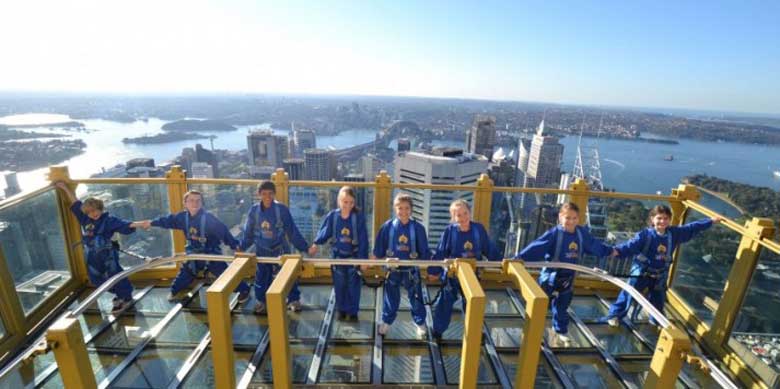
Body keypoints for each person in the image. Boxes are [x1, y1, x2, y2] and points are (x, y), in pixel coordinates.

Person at [515, 202, 617, 344]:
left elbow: (594, 245)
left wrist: (610, 251)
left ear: (579, 218)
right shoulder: (554, 234)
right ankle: (532, 330)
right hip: (551, 275)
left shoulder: (581, 234)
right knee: (539, 303)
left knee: (562, 306)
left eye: (574, 218)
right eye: (567, 218)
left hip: (568, 277)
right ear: (560, 217)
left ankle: (560, 331)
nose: (571, 221)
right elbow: (536, 247)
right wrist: (518, 258)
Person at [603, 205, 722, 327]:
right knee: (629, 294)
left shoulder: (674, 233)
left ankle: (656, 319)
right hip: (642, 272)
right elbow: (630, 246)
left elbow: (692, 228)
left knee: (658, 299)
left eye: (666, 218)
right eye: (659, 218)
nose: (662, 221)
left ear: (670, 220)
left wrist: (711, 221)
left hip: (659, 274)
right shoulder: (644, 235)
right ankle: (615, 315)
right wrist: (615, 251)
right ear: (652, 219)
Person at [134, 190, 251, 303]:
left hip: (210, 254)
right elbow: (167, 221)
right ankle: (175, 291)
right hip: (194, 254)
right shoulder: (182, 218)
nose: (194, 203)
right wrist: (151, 223)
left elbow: (224, 232)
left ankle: (244, 290)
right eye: (191, 201)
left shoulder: (208, 219)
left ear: (202, 203)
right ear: (185, 203)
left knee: (224, 273)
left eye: (198, 201)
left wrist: (236, 245)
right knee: (186, 272)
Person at [56, 182, 141, 312]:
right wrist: (64, 188)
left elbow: (126, 225)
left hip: (108, 255)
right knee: (96, 279)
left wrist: (142, 224)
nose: (93, 213)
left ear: (101, 208)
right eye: (89, 212)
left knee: (115, 275)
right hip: (92, 255)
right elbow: (75, 203)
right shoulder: (85, 219)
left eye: (95, 210)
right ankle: (119, 294)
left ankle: (126, 297)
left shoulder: (109, 220)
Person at [428, 199, 502, 339]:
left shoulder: (478, 229)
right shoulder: (450, 231)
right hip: (453, 275)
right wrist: (434, 271)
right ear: (453, 218)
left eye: (465, 213)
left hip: (473, 274)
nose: (462, 218)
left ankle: (475, 331)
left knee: (473, 303)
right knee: (445, 302)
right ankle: (438, 330)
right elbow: (441, 251)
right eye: (458, 215)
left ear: (470, 213)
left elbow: (488, 248)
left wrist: (499, 263)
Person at [240, 181, 314, 314]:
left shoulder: (281, 210)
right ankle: (262, 301)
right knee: (262, 275)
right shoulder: (254, 211)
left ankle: (293, 299)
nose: (267, 197)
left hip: (280, 248)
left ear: (274, 194)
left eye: (270, 194)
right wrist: (240, 247)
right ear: (259, 194)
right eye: (264, 194)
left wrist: (305, 248)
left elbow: (292, 231)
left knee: (288, 274)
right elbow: (248, 233)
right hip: (262, 248)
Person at [372, 193, 431, 338]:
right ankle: (386, 322)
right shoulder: (387, 227)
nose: (403, 212)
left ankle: (420, 322)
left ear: (411, 209)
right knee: (391, 298)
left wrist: (431, 267)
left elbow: (424, 251)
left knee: (416, 297)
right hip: (393, 270)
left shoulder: (418, 228)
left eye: (406, 208)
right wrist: (368, 263)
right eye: (400, 208)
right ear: (395, 209)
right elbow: (379, 249)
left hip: (411, 270)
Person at [310, 186, 369, 321]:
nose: (347, 205)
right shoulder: (333, 216)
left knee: (354, 286)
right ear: (339, 201)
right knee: (339, 284)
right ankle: (342, 309)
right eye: (344, 201)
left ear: (354, 203)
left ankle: (353, 311)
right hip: (337, 257)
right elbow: (325, 231)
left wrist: (363, 260)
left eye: (350, 202)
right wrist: (316, 243)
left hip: (353, 257)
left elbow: (363, 239)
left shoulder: (358, 218)